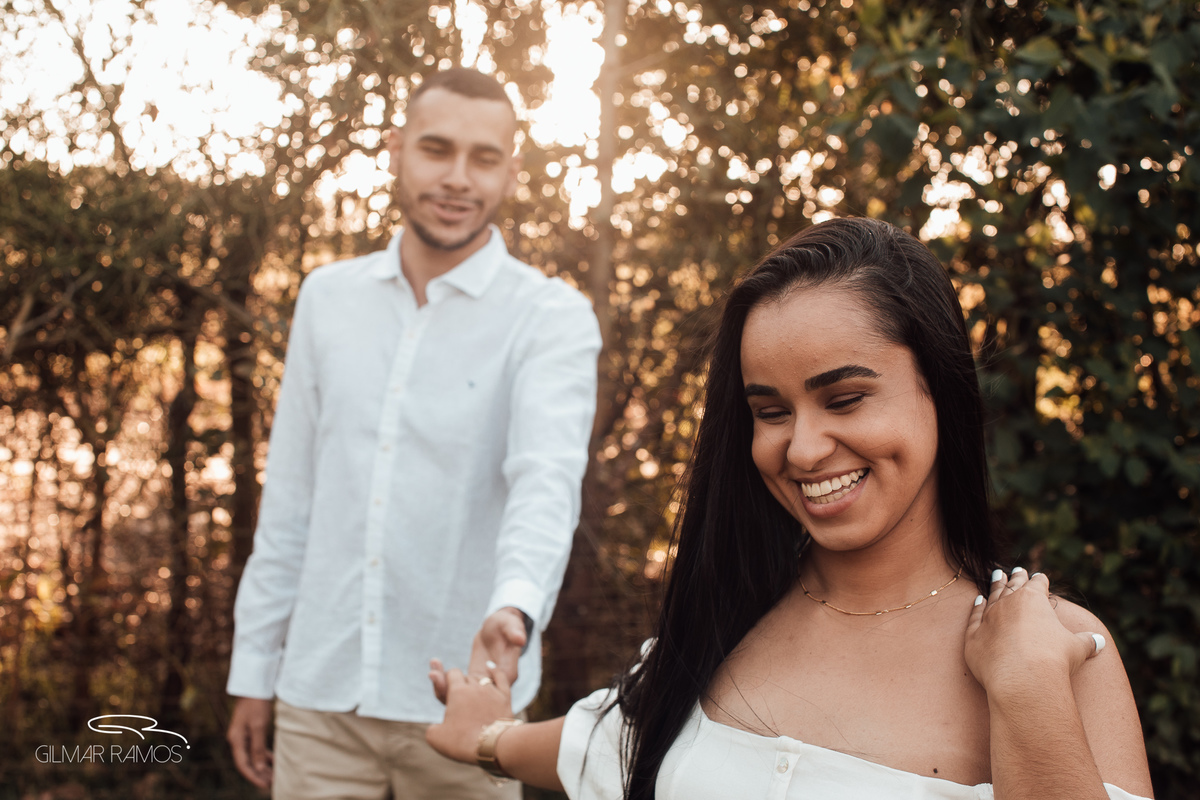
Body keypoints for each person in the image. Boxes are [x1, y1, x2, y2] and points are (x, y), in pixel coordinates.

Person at [425, 217, 1155, 800]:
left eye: (844, 398)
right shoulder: (727, 616)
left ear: (941, 388)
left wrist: (1028, 696)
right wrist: (485, 740)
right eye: (770, 412)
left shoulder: (1056, 651)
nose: (802, 450)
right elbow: (614, 745)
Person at [225, 67, 602, 800]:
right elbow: (292, 500)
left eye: (484, 158)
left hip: (468, 709)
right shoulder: (326, 300)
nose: (459, 178)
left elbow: (544, 482)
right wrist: (253, 672)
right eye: (437, 150)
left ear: (511, 172)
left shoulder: (550, 318)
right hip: (319, 697)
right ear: (395, 150)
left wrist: (515, 606)